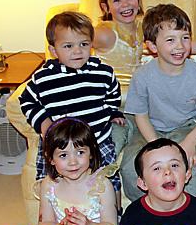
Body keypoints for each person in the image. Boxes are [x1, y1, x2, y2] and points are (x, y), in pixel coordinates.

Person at [94, 0, 196, 155]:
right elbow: (77, 44)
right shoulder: (104, 33)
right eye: (117, 0)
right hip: (117, 104)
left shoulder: (143, 26)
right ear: (106, 7)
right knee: (113, 145)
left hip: (142, 102)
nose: (126, 4)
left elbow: (180, 43)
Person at [19, 12, 124, 198]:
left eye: (83, 44)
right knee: (51, 188)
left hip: (98, 141)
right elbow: (27, 101)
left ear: (91, 45)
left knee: (108, 183)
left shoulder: (103, 72)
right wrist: (44, 124)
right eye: (68, 46)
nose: (77, 51)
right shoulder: (43, 78)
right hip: (61, 145)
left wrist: (112, 112)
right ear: (53, 50)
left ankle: (113, 213)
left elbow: (113, 93)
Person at [121, 4, 196, 201]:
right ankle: (143, 212)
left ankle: (189, 214)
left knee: (189, 163)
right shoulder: (142, 75)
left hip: (184, 126)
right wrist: (156, 145)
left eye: (185, 38)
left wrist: (190, 143)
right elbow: (140, 115)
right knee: (131, 164)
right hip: (149, 129)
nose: (180, 46)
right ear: (153, 46)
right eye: (171, 40)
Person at [120, 138, 196, 225]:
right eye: (157, 168)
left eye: (174, 165)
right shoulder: (134, 215)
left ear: (187, 176)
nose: (167, 171)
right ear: (143, 183)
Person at [39, 118, 117, 225]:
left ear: (91, 153)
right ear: (51, 159)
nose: (73, 162)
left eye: (80, 152)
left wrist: (89, 224)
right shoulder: (48, 185)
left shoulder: (102, 186)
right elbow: (46, 221)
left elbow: (110, 223)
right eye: (63, 155)